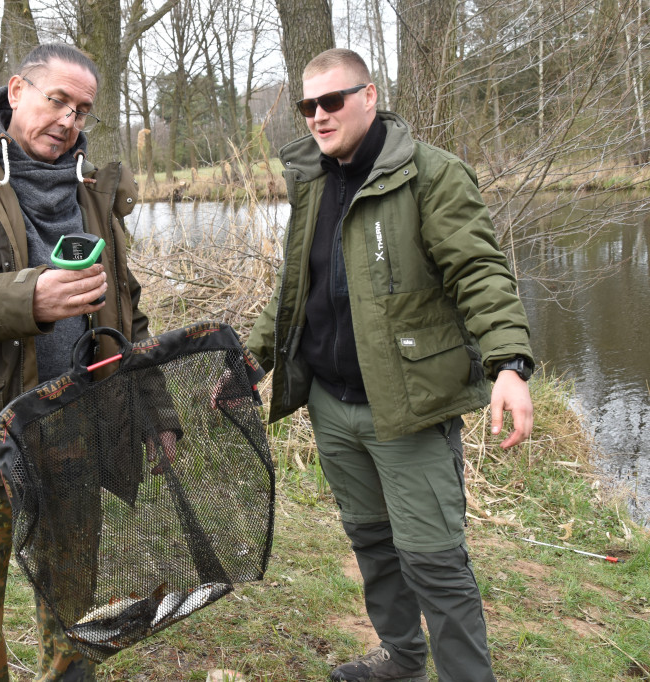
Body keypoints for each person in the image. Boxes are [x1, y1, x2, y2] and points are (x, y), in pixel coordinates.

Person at [245, 49, 534, 682]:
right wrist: (253, 357)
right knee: (372, 545)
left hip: (407, 406)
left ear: (369, 96)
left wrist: (509, 362)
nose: (318, 117)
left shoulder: (432, 174)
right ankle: (403, 659)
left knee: (435, 562)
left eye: (332, 101)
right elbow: (297, 288)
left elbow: (479, 273)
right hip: (330, 403)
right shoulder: (313, 179)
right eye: (306, 106)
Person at [0, 43, 170, 682]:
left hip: (72, 427)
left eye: (82, 110)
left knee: (75, 604)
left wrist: (154, 408)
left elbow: (127, 308)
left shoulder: (94, 189)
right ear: (17, 91)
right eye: (57, 101)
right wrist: (31, 297)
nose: (69, 120)